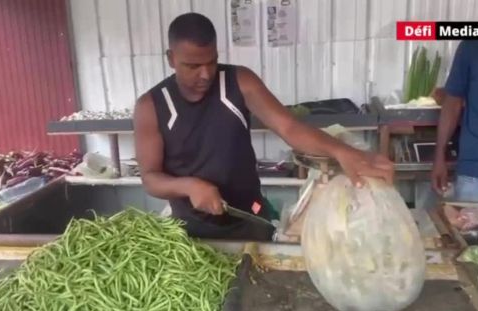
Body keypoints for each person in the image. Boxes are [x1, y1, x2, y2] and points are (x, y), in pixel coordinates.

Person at [134, 13, 393, 241]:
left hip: (249, 219)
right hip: (189, 232)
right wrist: (189, 186)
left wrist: (343, 152)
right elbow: (150, 178)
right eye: (192, 66)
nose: (205, 74)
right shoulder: (151, 106)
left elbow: (290, 128)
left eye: (210, 62)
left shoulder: (239, 81)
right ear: (171, 58)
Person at [432, 0, 478, 204]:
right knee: (472, 235)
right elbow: (451, 104)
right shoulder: (473, 46)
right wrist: (439, 156)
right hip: (477, 172)